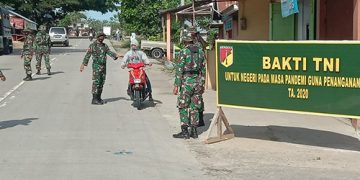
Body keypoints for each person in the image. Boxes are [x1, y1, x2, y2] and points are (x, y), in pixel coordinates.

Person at [172, 30, 206, 139]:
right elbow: (203, 69)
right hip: (198, 82)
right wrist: (202, 84)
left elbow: (179, 69)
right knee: (195, 106)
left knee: (182, 106)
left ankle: (185, 131)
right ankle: (194, 131)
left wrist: (176, 85)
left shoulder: (184, 51)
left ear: (185, 40)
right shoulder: (201, 51)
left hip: (186, 82)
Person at [80, 32, 119, 105]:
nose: (102, 38)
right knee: (96, 82)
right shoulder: (93, 46)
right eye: (101, 36)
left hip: (104, 66)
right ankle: (94, 99)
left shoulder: (104, 46)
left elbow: (109, 52)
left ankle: (99, 98)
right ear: (97, 37)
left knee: (102, 82)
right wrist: (83, 64)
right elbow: (87, 55)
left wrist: (115, 56)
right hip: (96, 66)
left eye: (103, 37)